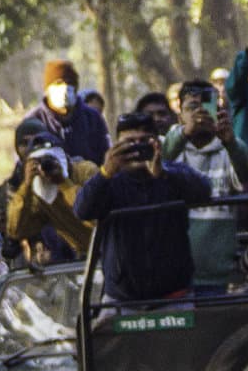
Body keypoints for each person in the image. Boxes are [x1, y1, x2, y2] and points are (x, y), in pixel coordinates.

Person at [73, 117, 212, 300]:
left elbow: (204, 190)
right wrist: (106, 172)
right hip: (121, 297)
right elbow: (82, 210)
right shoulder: (109, 181)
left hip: (173, 294)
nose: (137, 148)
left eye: (144, 141)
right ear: (117, 146)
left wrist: (163, 174)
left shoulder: (172, 172)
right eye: (130, 143)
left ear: (156, 142)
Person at [165, 84, 248, 280]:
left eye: (207, 106)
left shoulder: (232, 147)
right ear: (180, 116)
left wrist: (230, 142)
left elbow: (245, 177)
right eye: (191, 107)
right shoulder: (169, 145)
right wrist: (185, 133)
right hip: (176, 276)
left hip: (220, 273)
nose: (200, 113)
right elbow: (159, 163)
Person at [4, 139, 93, 262]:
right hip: (80, 256)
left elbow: (93, 214)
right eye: (37, 162)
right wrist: (26, 187)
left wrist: (64, 184)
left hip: (104, 246)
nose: (45, 168)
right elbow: (17, 230)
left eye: (49, 160)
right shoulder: (40, 194)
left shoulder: (85, 172)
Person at [24, 58, 111, 168]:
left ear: (76, 88)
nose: (64, 88)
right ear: (47, 88)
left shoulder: (93, 118)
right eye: (58, 83)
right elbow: (23, 161)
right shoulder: (33, 121)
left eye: (69, 84)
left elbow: (106, 157)